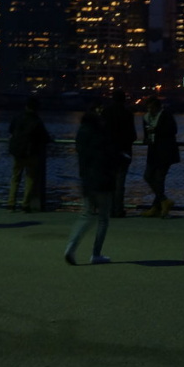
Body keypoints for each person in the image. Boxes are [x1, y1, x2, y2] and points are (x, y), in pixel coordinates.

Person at [63, 105, 117, 264]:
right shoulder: (102, 135)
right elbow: (109, 156)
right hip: (103, 179)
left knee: (86, 215)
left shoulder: (81, 134)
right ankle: (96, 253)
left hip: (87, 179)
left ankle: (71, 248)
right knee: (103, 218)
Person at [6, 97, 51, 212]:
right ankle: (25, 204)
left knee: (15, 177)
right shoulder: (37, 121)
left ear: (26, 106)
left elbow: (10, 130)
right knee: (30, 178)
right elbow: (45, 137)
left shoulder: (18, 117)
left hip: (18, 151)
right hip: (32, 152)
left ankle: (11, 203)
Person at [141, 96, 180, 218]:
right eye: (148, 107)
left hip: (165, 151)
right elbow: (146, 133)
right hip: (154, 150)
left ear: (157, 107)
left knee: (158, 178)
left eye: (151, 107)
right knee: (149, 176)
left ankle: (157, 207)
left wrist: (156, 131)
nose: (149, 110)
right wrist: (147, 138)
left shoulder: (166, 115)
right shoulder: (146, 118)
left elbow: (173, 130)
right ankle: (163, 202)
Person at [102, 91, 136, 217]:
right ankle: (118, 209)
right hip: (124, 151)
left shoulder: (106, 113)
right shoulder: (128, 114)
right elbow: (132, 135)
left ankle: (108, 209)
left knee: (109, 182)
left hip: (108, 152)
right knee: (120, 182)